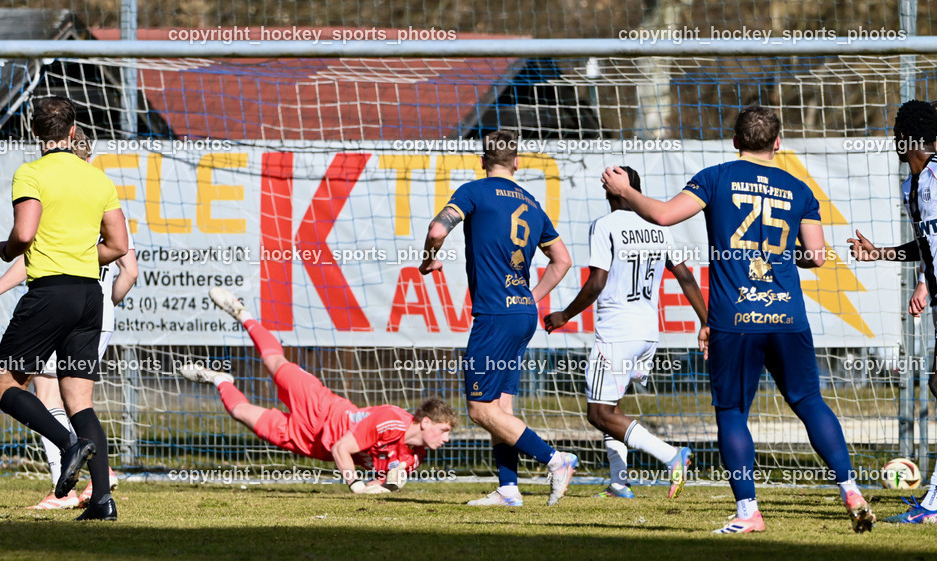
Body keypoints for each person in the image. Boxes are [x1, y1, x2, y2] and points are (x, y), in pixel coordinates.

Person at [602, 105, 875, 533]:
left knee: (732, 412)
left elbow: (662, 215)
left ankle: (749, 512)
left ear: (735, 142)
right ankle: (850, 489)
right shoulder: (799, 189)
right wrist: (782, 254)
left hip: (735, 317)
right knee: (808, 402)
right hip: (787, 315)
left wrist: (625, 190)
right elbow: (817, 257)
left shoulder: (715, 177)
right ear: (778, 143)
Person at [0, 128, 138, 510]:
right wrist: (109, 297)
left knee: (10, 387)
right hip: (93, 306)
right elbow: (125, 256)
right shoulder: (98, 186)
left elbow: (27, 252)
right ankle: (102, 498)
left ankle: (69, 451)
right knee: (80, 401)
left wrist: (1, 272)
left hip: (51, 301)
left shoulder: (43, 185)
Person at [418, 130, 577, 507]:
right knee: (501, 409)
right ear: (517, 162)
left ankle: (557, 460)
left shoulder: (474, 191)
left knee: (479, 409)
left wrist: (428, 258)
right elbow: (563, 261)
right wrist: (530, 297)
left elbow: (437, 229)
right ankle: (509, 489)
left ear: (482, 161)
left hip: (495, 314)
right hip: (522, 313)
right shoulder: (532, 203)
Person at [179, 288, 457, 492]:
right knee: (274, 361)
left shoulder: (413, 460)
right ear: (426, 422)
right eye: (444, 430)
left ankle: (218, 379)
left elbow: (378, 484)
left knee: (240, 412)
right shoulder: (390, 419)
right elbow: (342, 447)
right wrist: (355, 485)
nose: (446, 438)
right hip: (321, 408)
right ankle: (243, 314)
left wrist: (385, 486)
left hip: (313, 443)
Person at [544, 167, 707, 499]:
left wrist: (564, 314)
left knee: (598, 413)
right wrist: (706, 321)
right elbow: (686, 278)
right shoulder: (658, 226)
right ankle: (619, 483)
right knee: (611, 409)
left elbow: (597, 282)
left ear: (613, 191)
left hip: (617, 331)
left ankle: (671, 455)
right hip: (648, 332)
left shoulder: (605, 225)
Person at [847, 99, 937, 524]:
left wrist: (924, 283)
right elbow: (925, 245)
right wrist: (878, 252)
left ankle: (934, 504)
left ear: (907, 139)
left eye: (898, 134)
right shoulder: (911, 187)